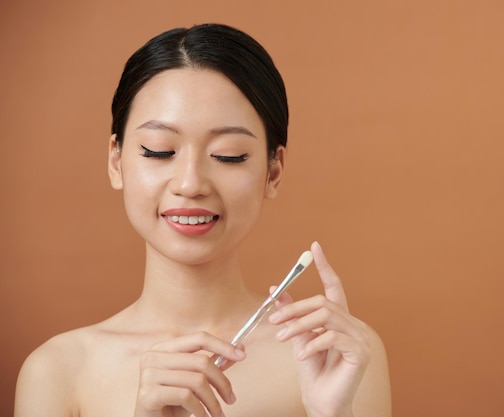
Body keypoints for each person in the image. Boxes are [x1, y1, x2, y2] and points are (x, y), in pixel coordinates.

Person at [14, 23, 391, 417]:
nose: (191, 184)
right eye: (159, 151)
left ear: (273, 172)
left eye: (228, 156)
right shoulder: (57, 371)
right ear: (116, 161)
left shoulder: (338, 356)